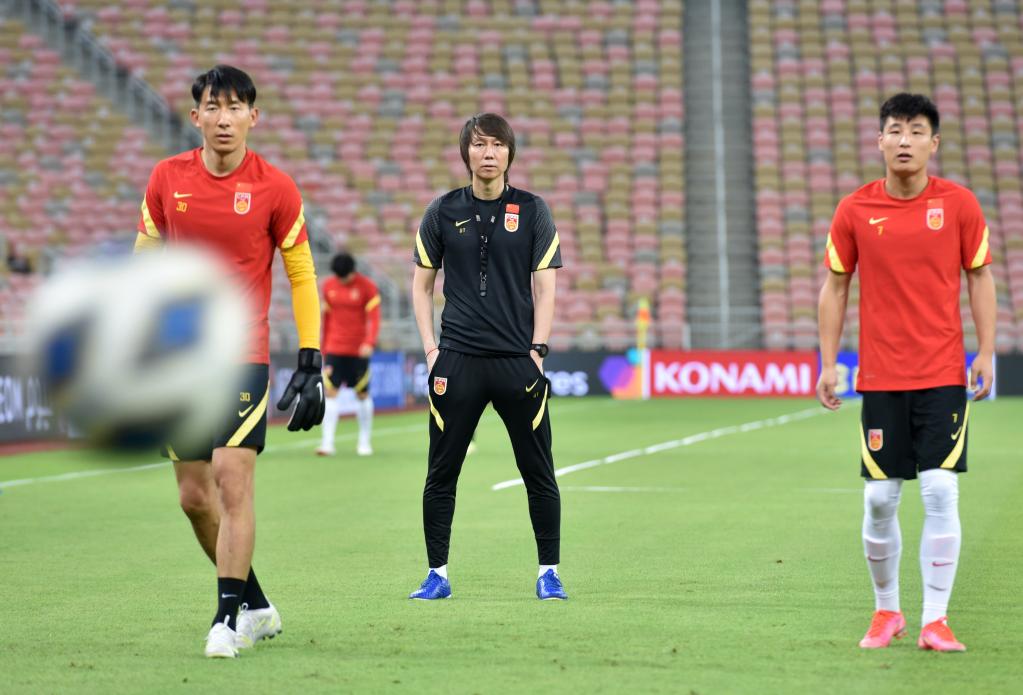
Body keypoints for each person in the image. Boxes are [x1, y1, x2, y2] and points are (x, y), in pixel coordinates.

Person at [134, 65, 325, 658]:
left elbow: (301, 274)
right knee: (194, 498)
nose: (224, 118)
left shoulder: (276, 187)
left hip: (243, 355)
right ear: (196, 117)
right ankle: (257, 604)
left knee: (230, 478)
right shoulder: (167, 179)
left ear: (253, 117)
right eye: (213, 107)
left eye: (236, 107)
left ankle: (224, 621)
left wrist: (311, 356)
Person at [817, 93, 995, 652]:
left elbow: (980, 276)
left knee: (941, 489)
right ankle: (887, 611)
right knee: (879, 499)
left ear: (933, 144)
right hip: (880, 377)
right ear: (879, 141)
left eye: (917, 131)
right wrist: (828, 362)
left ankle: (935, 620)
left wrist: (986, 351)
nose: (904, 140)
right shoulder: (854, 209)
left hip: (942, 373)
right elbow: (835, 286)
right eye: (895, 130)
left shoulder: (959, 204)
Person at [410, 113, 566, 601]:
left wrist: (538, 349)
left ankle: (549, 573)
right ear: (466, 153)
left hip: (517, 361)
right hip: (457, 360)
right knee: (441, 474)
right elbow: (421, 286)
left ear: (510, 152)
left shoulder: (533, 209)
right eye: (479, 144)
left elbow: (546, 287)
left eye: (497, 144)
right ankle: (437, 574)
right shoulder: (441, 210)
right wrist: (431, 350)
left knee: (538, 472)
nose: (489, 153)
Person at [316, 252, 380, 457]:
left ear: (354, 271)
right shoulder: (328, 286)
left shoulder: (367, 286)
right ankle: (327, 443)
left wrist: (369, 342)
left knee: (362, 394)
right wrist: (323, 347)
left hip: (359, 350)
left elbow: (374, 317)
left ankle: (364, 442)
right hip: (334, 348)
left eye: (345, 276)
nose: (342, 280)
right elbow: (325, 319)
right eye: (339, 277)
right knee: (330, 392)